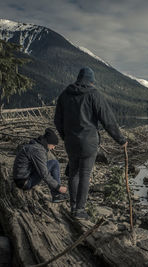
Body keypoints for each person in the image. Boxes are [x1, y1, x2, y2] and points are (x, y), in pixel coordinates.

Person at [54, 67, 127, 220]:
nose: (93, 84)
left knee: (73, 172)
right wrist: (121, 140)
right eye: (93, 82)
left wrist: (65, 136)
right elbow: (108, 120)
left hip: (71, 142)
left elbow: (57, 121)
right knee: (85, 175)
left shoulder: (64, 95)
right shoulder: (94, 94)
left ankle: (73, 206)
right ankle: (80, 210)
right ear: (90, 81)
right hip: (89, 143)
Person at [13, 128, 68, 202]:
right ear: (49, 143)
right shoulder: (38, 150)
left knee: (53, 162)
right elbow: (44, 174)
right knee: (54, 164)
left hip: (21, 178)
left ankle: (57, 194)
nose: (53, 148)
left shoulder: (35, 145)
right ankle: (57, 195)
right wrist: (58, 187)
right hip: (24, 182)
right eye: (53, 145)